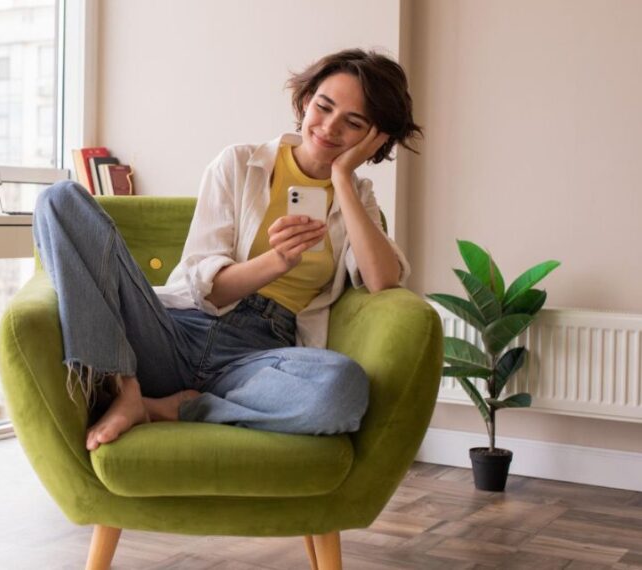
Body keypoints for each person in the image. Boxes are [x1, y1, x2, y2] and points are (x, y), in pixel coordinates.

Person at [32, 48, 423, 451]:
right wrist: (277, 261)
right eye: (323, 107)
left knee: (344, 389)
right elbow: (210, 291)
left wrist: (342, 176)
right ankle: (126, 391)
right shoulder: (238, 163)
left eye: (353, 123)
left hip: (257, 358)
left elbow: (383, 280)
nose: (329, 127)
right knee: (60, 199)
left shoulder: (357, 198)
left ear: (373, 138)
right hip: (175, 331)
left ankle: (181, 408)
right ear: (306, 101)